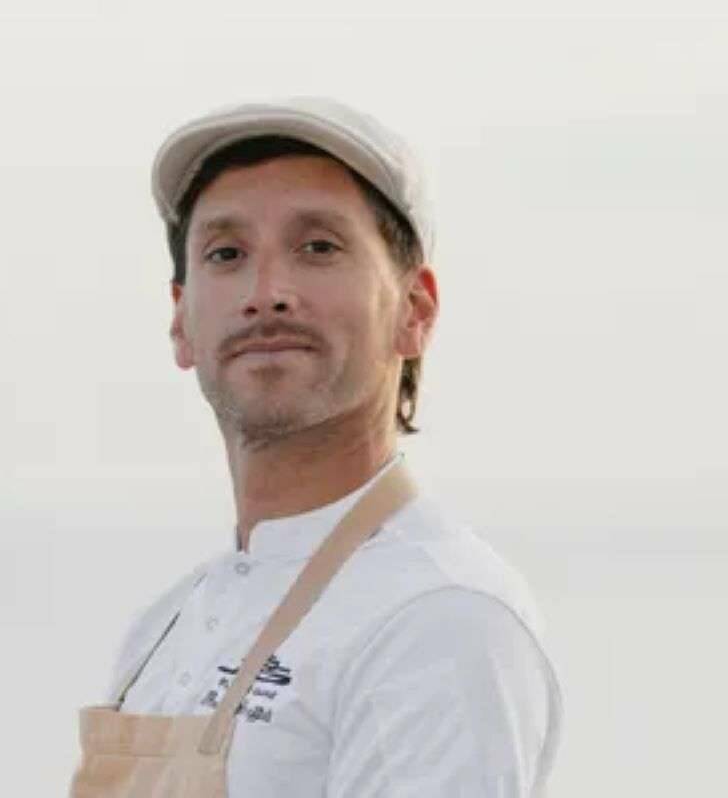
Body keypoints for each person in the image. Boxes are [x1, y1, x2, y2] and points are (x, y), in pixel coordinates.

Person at [68, 96, 564, 797]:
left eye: (318, 248)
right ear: (181, 320)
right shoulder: (170, 622)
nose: (267, 293)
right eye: (227, 254)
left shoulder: (439, 619)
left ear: (414, 311)